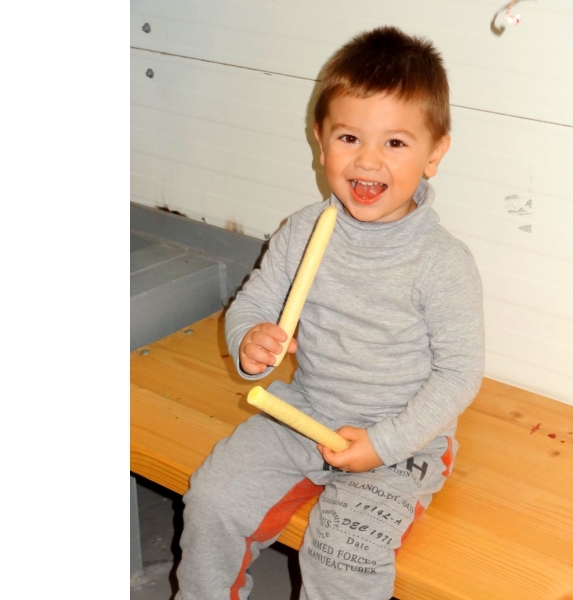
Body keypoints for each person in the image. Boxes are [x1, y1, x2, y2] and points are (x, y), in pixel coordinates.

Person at [176, 25, 485, 600]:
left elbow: (459, 374)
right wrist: (249, 340)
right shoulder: (302, 230)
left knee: (341, 553)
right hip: (306, 409)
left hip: (402, 439)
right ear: (321, 141)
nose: (368, 160)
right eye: (348, 137)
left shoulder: (442, 262)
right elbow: (255, 302)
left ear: (435, 152)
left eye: (395, 143)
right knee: (213, 499)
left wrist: (384, 444)